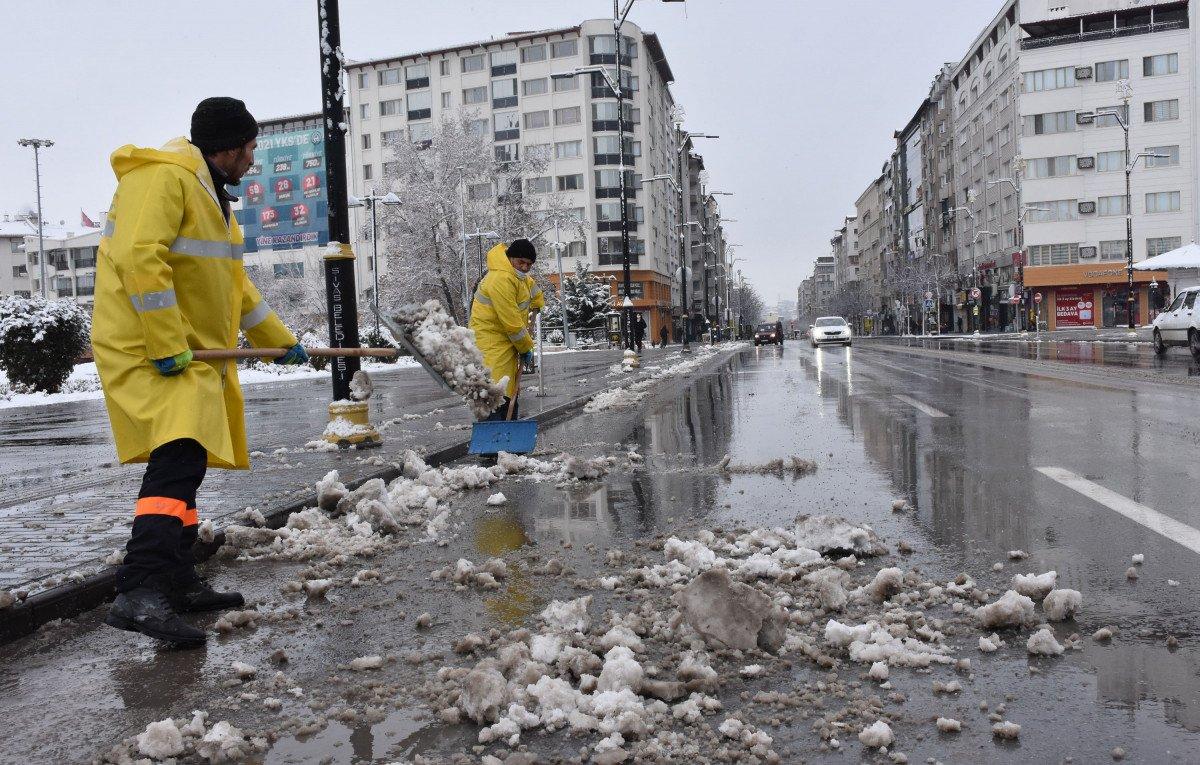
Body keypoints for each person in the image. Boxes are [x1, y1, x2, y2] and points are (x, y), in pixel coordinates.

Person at [93, 97, 308, 647]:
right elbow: (141, 257)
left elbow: (237, 290)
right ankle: (138, 587)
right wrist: (165, 342)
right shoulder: (163, 178)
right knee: (176, 459)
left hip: (184, 350)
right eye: (252, 147)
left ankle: (177, 576)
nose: (254, 159)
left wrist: (279, 343)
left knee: (185, 463)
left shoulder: (212, 197)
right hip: (148, 346)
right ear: (232, 146)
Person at [471, 238, 538, 423]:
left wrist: (538, 300)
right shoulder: (500, 279)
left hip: (506, 343)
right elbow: (512, 323)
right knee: (494, 391)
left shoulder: (517, 277)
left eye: (529, 264)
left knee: (508, 389)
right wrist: (526, 347)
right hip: (490, 342)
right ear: (510, 259)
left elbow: (531, 286)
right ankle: (493, 445)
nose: (525, 267)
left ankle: (507, 441)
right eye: (521, 262)